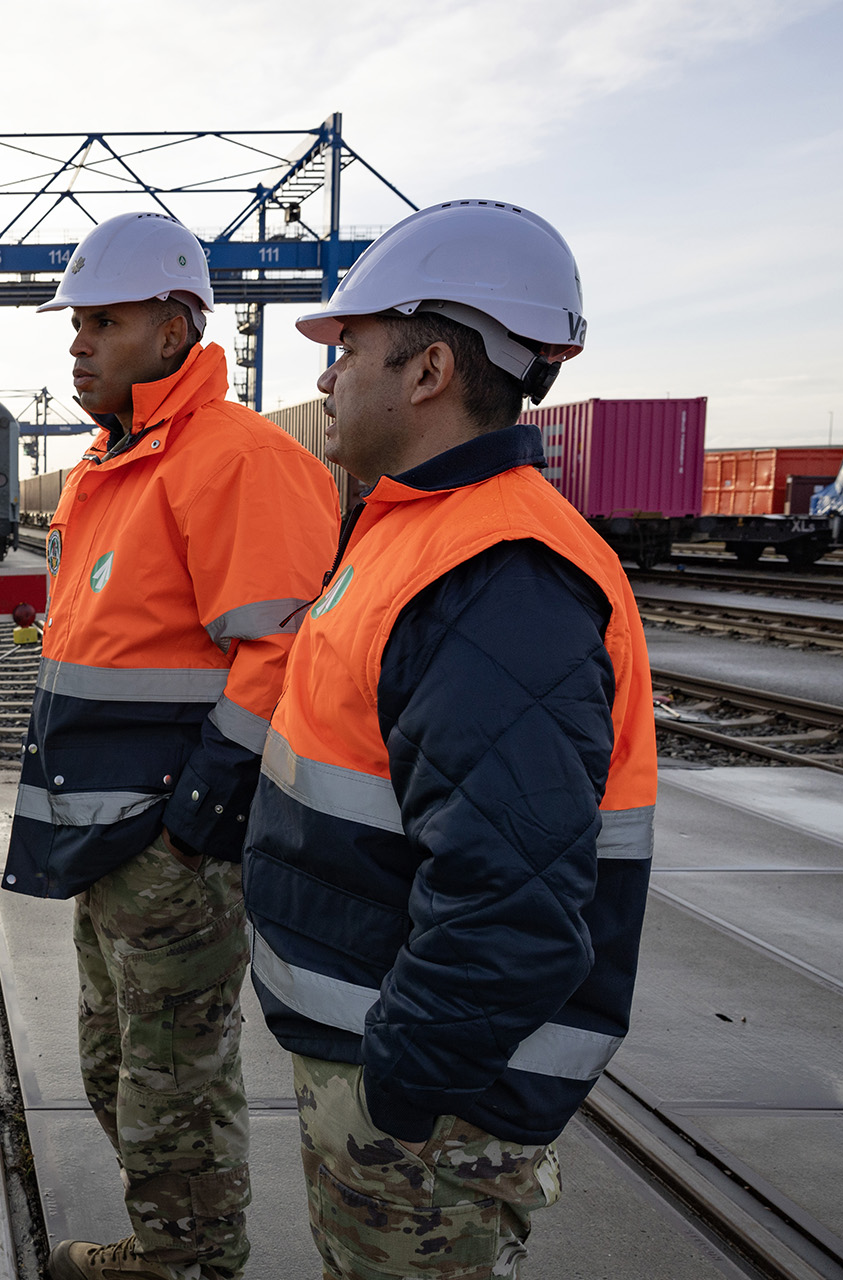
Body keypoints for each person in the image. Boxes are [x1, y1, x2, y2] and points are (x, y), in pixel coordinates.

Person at [241, 199, 657, 1279]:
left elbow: (512, 903)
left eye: (348, 348)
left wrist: (403, 1090)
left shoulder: (494, 575)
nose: (327, 374)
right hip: (382, 1058)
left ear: (428, 370)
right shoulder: (416, 534)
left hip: (425, 1111)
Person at [3, 212, 342, 1280]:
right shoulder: (116, 463)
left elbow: (281, 651)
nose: (79, 343)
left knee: (173, 1081)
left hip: (170, 840)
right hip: (114, 835)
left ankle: (188, 1262)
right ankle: (173, 1243)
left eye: (102, 322)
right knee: (116, 1065)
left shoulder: (236, 460)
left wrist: (199, 817)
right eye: (75, 323)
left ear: (174, 328)